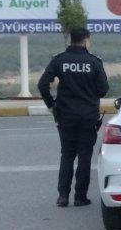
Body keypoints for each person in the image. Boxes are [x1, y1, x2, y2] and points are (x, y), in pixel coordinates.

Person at [38, 27, 110, 207]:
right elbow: (103, 90)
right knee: (84, 156)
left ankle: (63, 196)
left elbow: (42, 84)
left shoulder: (59, 60)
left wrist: (51, 105)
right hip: (88, 116)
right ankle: (80, 197)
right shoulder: (94, 62)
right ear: (86, 40)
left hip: (65, 115)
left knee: (67, 154)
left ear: (71, 39)